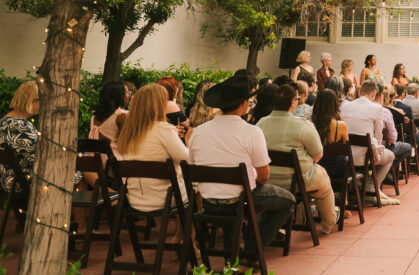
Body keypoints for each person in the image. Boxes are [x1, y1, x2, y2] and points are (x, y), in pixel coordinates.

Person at [191, 75, 296, 261]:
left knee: (240, 195)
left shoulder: (198, 132)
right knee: (288, 201)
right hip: (240, 199)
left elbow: (194, 167)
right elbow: (264, 176)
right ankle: (251, 252)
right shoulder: (252, 131)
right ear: (243, 104)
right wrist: (249, 176)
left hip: (207, 201)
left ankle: (234, 255)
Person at [256, 83, 336, 235]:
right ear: (293, 102)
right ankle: (328, 223)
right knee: (324, 181)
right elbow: (318, 155)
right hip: (298, 181)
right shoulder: (303, 125)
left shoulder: (261, 123)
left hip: (266, 180)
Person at [118, 84, 190, 213]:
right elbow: (187, 161)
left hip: (135, 199)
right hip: (165, 199)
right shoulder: (163, 129)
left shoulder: (129, 132)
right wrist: (189, 142)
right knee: (198, 183)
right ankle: (189, 226)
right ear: (158, 105)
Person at [340, 79, 400, 205]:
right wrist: (377, 147)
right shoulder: (376, 109)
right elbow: (378, 136)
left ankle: (369, 186)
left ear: (360, 92)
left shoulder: (345, 106)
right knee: (390, 155)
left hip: (345, 155)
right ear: (373, 94)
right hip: (363, 157)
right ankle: (371, 187)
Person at [310, 89, 349, 212]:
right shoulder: (340, 125)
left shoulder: (310, 124)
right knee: (347, 160)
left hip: (316, 167)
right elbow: (345, 147)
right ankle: (344, 203)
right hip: (337, 169)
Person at [0, 81, 40, 193]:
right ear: (33, 101)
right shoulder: (22, 126)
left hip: (7, 180)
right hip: (22, 182)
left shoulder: (3, 122)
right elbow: (36, 159)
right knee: (73, 172)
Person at [378, 86, 414, 172]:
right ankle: (390, 170)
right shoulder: (398, 112)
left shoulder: (376, 109)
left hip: (374, 144)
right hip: (388, 145)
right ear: (393, 97)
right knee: (407, 147)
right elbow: (395, 137)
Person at [90, 81, 129, 157]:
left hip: (94, 160)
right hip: (113, 161)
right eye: (127, 92)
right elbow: (125, 145)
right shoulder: (121, 117)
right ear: (120, 96)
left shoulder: (94, 116)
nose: (129, 96)